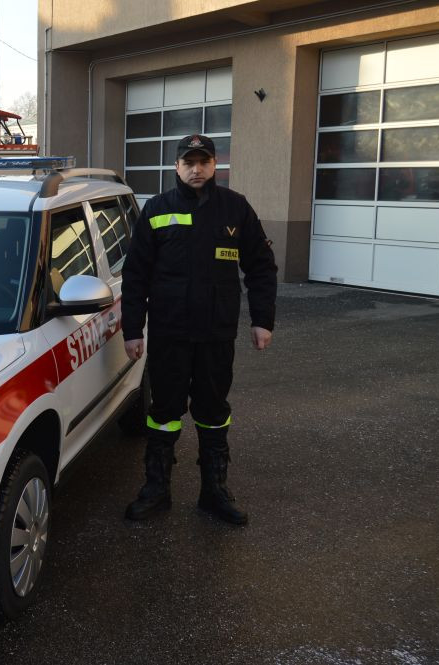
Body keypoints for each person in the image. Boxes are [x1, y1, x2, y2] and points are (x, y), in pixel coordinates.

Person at [121, 134, 277, 525]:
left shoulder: (235, 208)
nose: (196, 169)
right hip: (169, 333)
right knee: (163, 412)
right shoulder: (157, 209)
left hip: (215, 334)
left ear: (214, 166)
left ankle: (214, 492)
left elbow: (261, 267)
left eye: (203, 162)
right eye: (189, 162)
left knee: (213, 411)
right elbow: (135, 275)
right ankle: (156, 490)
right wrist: (132, 329)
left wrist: (262, 320)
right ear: (176, 166)